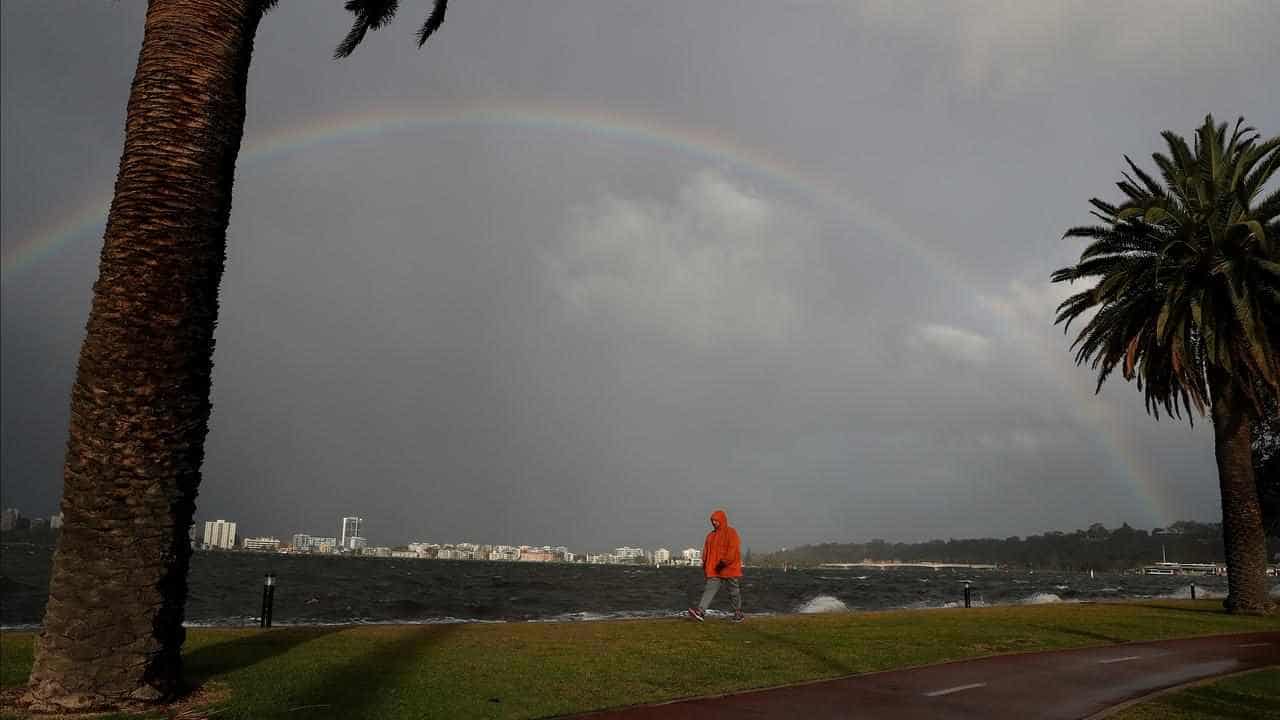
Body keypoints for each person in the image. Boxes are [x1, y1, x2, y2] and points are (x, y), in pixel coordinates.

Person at [688, 508, 744, 622]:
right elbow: (706, 552)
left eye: (716, 520)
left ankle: (738, 612)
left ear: (722, 520)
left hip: (729, 568)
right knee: (709, 590)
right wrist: (705, 565)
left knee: (734, 591)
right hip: (714, 570)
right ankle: (701, 612)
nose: (714, 522)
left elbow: (733, 550)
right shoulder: (710, 536)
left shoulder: (731, 533)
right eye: (712, 520)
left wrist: (724, 562)